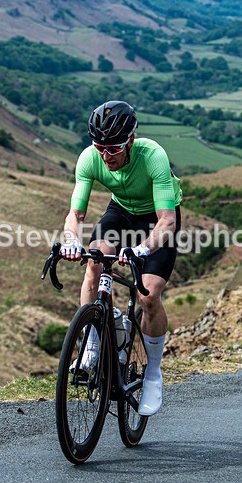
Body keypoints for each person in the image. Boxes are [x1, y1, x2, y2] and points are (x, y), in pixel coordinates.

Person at [60, 100, 182, 416]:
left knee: (149, 296)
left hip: (156, 219)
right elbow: (76, 212)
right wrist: (71, 240)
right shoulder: (90, 159)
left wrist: (142, 249)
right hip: (120, 213)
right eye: (100, 147)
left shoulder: (152, 155)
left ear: (130, 140)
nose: (106, 156)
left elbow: (167, 221)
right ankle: (92, 345)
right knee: (95, 262)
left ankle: (153, 373)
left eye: (113, 148)